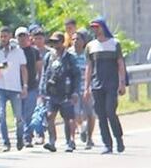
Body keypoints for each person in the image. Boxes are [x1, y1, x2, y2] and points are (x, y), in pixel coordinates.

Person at [84, 17, 126, 154]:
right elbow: (89, 67)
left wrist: (122, 83)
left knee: (110, 112)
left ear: (103, 27)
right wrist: (86, 87)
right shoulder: (90, 46)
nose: (95, 30)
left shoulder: (114, 43)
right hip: (97, 85)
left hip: (111, 84)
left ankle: (118, 138)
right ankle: (107, 144)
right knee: (101, 115)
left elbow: (120, 64)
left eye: (97, 27)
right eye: (93, 28)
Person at [39, 32, 80, 153]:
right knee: (50, 116)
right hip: (52, 92)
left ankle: (70, 141)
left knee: (68, 118)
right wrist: (42, 90)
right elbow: (44, 73)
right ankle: (52, 141)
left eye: (56, 42)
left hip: (66, 91)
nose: (54, 44)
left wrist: (75, 92)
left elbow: (76, 76)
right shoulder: (49, 56)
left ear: (62, 42)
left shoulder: (70, 57)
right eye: (52, 42)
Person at [0, 26, 28, 152]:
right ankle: (6, 142)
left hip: (15, 87)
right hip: (0, 87)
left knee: (18, 116)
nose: (3, 39)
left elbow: (23, 69)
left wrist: (24, 86)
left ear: (10, 36)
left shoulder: (18, 51)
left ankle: (20, 138)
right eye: (1, 36)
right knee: (1, 115)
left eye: (5, 36)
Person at [20, 27, 45, 147]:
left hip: (32, 86)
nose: (22, 38)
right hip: (16, 87)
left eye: (24, 36)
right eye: (20, 36)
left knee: (29, 113)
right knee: (20, 114)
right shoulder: (15, 51)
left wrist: (40, 84)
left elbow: (40, 70)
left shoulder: (34, 52)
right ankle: (22, 135)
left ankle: (27, 137)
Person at [71, 30, 96, 149]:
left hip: (87, 87)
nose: (75, 41)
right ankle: (82, 128)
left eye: (78, 39)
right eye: (73, 39)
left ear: (84, 41)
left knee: (90, 113)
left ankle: (89, 138)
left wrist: (89, 86)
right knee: (75, 114)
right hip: (74, 89)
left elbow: (93, 70)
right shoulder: (69, 54)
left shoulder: (89, 53)